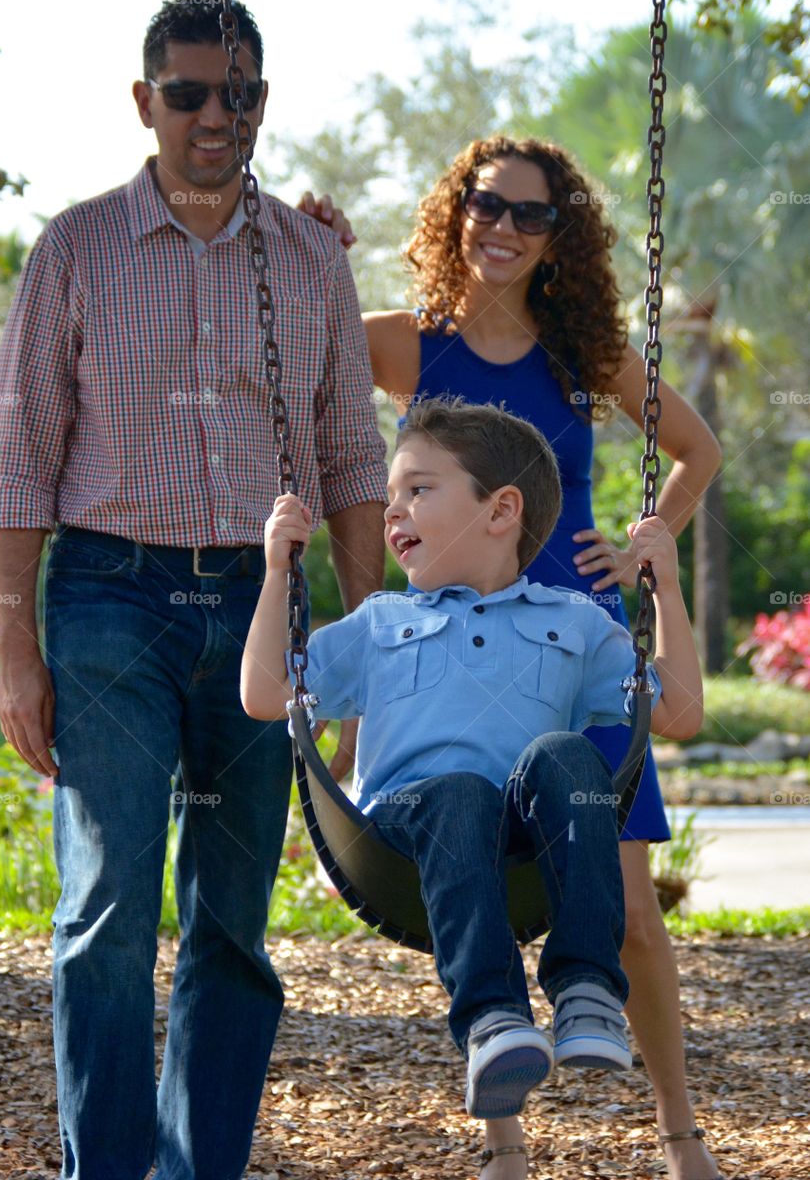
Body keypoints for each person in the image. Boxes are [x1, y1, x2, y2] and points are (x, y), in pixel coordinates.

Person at [0, 0, 388, 1180]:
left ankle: (198, 1165)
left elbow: (353, 458)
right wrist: (16, 648)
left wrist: (357, 645)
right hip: (113, 597)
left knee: (230, 920)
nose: (218, 115)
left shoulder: (309, 257)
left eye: (242, 92)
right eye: (192, 92)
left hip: (267, 606)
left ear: (264, 99)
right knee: (106, 902)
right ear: (144, 99)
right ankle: (101, 1166)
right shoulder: (79, 248)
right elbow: (20, 463)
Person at [301, 135, 724, 1180]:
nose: (502, 227)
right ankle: (504, 1141)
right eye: (485, 205)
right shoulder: (404, 343)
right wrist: (308, 256)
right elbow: (290, 371)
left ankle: (677, 1130)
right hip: (454, 648)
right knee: (474, 866)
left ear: (555, 237)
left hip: (573, 634)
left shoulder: (583, 353)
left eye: (529, 215)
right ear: (456, 212)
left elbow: (696, 449)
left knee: (628, 907)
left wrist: (640, 544)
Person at [241, 399, 704, 1173]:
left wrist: (667, 588)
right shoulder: (382, 622)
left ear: (502, 511)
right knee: (458, 790)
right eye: (393, 495)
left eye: (418, 490)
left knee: (568, 755)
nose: (394, 511)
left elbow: (680, 712)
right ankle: (493, 1020)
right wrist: (276, 571)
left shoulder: (576, 622)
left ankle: (587, 989)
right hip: (405, 841)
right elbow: (266, 694)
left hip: (524, 844)